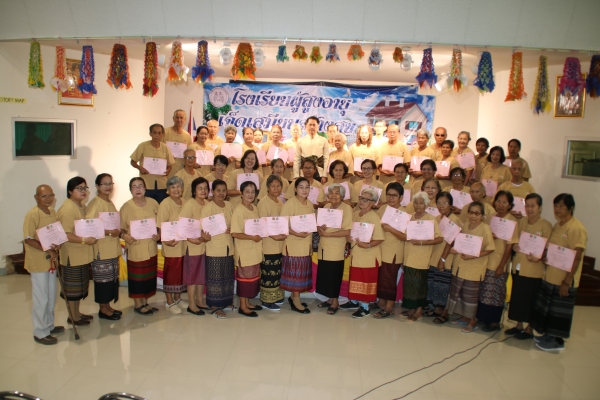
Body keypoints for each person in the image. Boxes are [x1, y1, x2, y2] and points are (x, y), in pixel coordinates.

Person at [531, 194, 587, 352]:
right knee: (549, 309)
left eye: (562, 206)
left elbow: (577, 257)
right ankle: (548, 336)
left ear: (571, 208)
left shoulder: (576, 228)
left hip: (564, 279)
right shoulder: (557, 225)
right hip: (551, 275)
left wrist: (566, 282)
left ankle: (557, 341)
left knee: (560, 312)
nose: (558, 209)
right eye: (556, 205)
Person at [437, 202, 495, 332]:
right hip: (459, 266)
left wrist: (473, 256)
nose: (473, 216)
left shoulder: (485, 228)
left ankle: (472, 321)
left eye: (477, 213)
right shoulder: (463, 226)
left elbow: (490, 249)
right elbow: (457, 244)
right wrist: (454, 250)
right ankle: (464, 317)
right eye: (471, 212)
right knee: (459, 293)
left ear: (482, 216)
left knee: (470, 296)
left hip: (474, 268)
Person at [505, 194, 552, 340]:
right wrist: (516, 247)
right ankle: (519, 325)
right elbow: (515, 240)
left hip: (534, 269)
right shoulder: (522, 221)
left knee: (531, 299)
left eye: (533, 206)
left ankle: (529, 328)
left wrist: (538, 257)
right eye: (527, 205)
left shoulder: (546, 225)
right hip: (519, 265)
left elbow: (548, 249)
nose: (530, 209)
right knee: (518, 297)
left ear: (540, 208)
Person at [23, 184, 64, 345]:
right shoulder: (32, 214)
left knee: (51, 296)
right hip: (38, 262)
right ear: (36, 197)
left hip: (50, 262)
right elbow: (28, 239)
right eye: (44, 196)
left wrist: (58, 244)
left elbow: (55, 233)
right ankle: (40, 332)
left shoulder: (52, 212)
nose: (48, 199)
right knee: (41, 298)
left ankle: (49, 325)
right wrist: (48, 249)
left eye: (50, 195)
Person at [476, 191, 519, 332]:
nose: (501, 205)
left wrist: (501, 265)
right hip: (486, 259)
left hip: (499, 261)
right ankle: (484, 318)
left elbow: (510, 246)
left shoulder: (512, 221)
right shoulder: (491, 217)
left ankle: (494, 322)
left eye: (505, 202)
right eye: (499, 201)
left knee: (496, 292)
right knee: (485, 291)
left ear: (510, 205)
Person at [57, 177, 96, 326]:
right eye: (79, 188)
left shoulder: (81, 206)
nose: (83, 191)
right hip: (72, 256)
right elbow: (66, 234)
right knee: (72, 290)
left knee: (79, 288)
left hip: (81, 254)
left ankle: (77, 313)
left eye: (85, 188)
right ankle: (72, 316)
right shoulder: (67, 209)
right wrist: (85, 240)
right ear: (70, 191)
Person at [120, 178, 160, 315]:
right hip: (135, 247)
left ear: (145, 188)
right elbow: (121, 228)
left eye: (140, 186)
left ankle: (145, 302)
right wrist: (125, 235)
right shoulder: (126, 207)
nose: (138, 189)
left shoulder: (153, 203)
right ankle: (138, 304)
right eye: (134, 187)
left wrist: (158, 235)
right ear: (130, 190)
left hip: (151, 246)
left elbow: (159, 224)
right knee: (137, 279)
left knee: (148, 277)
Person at [401, 192, 443, 322]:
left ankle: (419, 311)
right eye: (416, 203)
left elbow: (439, 239)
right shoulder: (410, 217)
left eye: (421, 203)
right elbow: (404, 235)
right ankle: (412, 308)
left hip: (422, 257)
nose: (418, 205)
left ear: (426, 205)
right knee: (409, 284)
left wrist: (421, 242)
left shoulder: (431, 219)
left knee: (419, 285)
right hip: (408, 255)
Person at [85, 173, 121, 320]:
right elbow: (89, 226)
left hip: (112, 247)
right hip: (101, 249)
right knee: (103, 280)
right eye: (104, 184)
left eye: (110, 183)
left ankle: (107, 306)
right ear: (97, 186)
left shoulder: (109, 202)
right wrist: (109, 232)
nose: (108, 186)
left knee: (111, 279)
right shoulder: (95, 203)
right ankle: (103, 309)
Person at [199, 179, 236, 319]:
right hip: (214, 248)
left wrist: (232, 229)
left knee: (227, 277)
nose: (221, 193)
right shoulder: (208, 208)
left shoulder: (229, 205)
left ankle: (226, 302)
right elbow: (202, 228)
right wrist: (206, 235)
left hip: (228, 247)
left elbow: (234, 223)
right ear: (212, 192)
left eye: (223, 190)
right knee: (215, 278)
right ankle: (214, 305)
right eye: (218, 190)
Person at [346, 188, 385, 318]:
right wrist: (348, 238)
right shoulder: (356, 214)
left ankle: (365, 307)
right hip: (356, 254)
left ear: (373, 203)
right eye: (361, 198)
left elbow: (379, 238)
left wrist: (367, 245)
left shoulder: (374, 217)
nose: (362, 201)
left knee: (366, 281)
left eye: (366, 199)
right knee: (356, 280)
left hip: (369, 256)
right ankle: (354, 302)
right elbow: (351, 232)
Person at [315, 184, 353, 315]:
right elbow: (319, 227)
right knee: (325, 274)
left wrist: (327, 234)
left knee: (334, 275)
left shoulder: (347, 208)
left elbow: (347, 231)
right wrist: (321, 229)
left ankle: (335, 302)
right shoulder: (326, 207)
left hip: (336, 247)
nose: (333, 195)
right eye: (331, 193)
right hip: (324, 247)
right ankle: (330, 299)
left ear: (342, 196)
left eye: (337, 193)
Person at [280, 177, 315, 314]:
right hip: (294, 244)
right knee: (296, 274)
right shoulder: (290, 204)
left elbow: (311, 223)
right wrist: (297, 234)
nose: (304, 190)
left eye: (307, 187)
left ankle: (294, 297)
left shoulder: (309, 203)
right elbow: (283, 225)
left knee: (302, 273)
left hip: (305, 244)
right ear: (295, 189)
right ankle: (296, 300)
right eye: (301, 187)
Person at [373, 182, 408, 318]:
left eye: (394, 195)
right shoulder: (383, 209)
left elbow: (406, 237)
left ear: (401, 197)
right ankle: (381, 302)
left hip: (394, 251)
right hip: (380, 249)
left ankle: (389, 308)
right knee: (381, 278)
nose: (391, 198)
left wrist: (390, 229)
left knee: (389, 280)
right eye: (388, 195)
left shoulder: (404, 213)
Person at [230, 181, 264, 317]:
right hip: (244, 252)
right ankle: (243, 306)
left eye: (253, 192)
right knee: (244, 280)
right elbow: (234, 233)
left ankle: (248, 303)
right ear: (241, 194)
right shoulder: (239, 210)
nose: (250, 194)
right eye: (247, 192)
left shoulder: (254, 208)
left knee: (252, 279)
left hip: (254, 251)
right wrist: (252, 237)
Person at [428, 192, 462, 320]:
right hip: (434, 256)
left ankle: (444, 312)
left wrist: (442, 259)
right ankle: (436, 309)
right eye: (439, 202)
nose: (441, 205)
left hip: (446, 258)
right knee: (435, 284)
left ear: (451, 205)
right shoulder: (437, 218)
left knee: (443, 285)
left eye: (445, 203)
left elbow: (450, 241)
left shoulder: (455, 220)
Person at [156, 176, 188, 314]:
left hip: (184, 244)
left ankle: (177, 298)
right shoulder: (165, 203)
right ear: (168, 190)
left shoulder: (185, 202)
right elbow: (160, 226)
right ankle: (169, 302)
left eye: (178, 186)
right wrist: (165, 240)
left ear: (182, 189)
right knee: (171, 274)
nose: (176, 189)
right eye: (173, 187)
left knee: (180, 273)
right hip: (171, 244)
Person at [179, 177, 210, 315]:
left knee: (201, 275)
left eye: (205, 188)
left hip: (205, 246)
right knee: (192, 277)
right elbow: (182, 227)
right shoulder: (189, 205)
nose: (203, 191)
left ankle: (200, 301)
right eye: (200, 188)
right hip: (192, 247)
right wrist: (192, 240)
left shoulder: (208, 204)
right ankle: (191, 305)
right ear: (193, 191)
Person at [257, 175, 287, 311]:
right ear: (268, 188)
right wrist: (275, 237)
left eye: (278, 186)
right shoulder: (263, 203)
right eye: (273, 186)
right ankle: (266, 300)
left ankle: (276, 296)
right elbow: (262, 225)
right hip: (268, 244)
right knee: (268, 273)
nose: (276, 188)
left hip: (279, 243)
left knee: (277, 272)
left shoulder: (280, 202)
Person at [130, 123, 175, 204]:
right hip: (147, 184)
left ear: (162, 134)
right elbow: (133, 161)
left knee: (161, 207)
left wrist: (168, 170)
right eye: (154, 132)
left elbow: (170, 164)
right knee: (147, 206)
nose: (157, 135)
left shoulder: (165, 147)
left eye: (159, 133)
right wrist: (140, 168)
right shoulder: (143, 146)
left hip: (162, 185)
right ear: (150, 133)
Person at [294, 116, 330, 183]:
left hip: (319, 173)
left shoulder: (324, 140)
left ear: (318, 126)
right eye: (310, 125)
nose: (312, 127)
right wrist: (296, 175)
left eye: (314, 125)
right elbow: (297, 159)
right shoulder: (300, 141)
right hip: (303, 173)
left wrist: (324, 175)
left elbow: (326, 158)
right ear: (306, 126)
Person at [164, 109, 192, 178]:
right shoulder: (165, 132)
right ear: (173, 119)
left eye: (181, 118)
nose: (179, 120)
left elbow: (189, 152)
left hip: (181, 168)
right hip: (167, 168)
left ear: (184, 120)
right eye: (177, 117)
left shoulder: (187, 135)